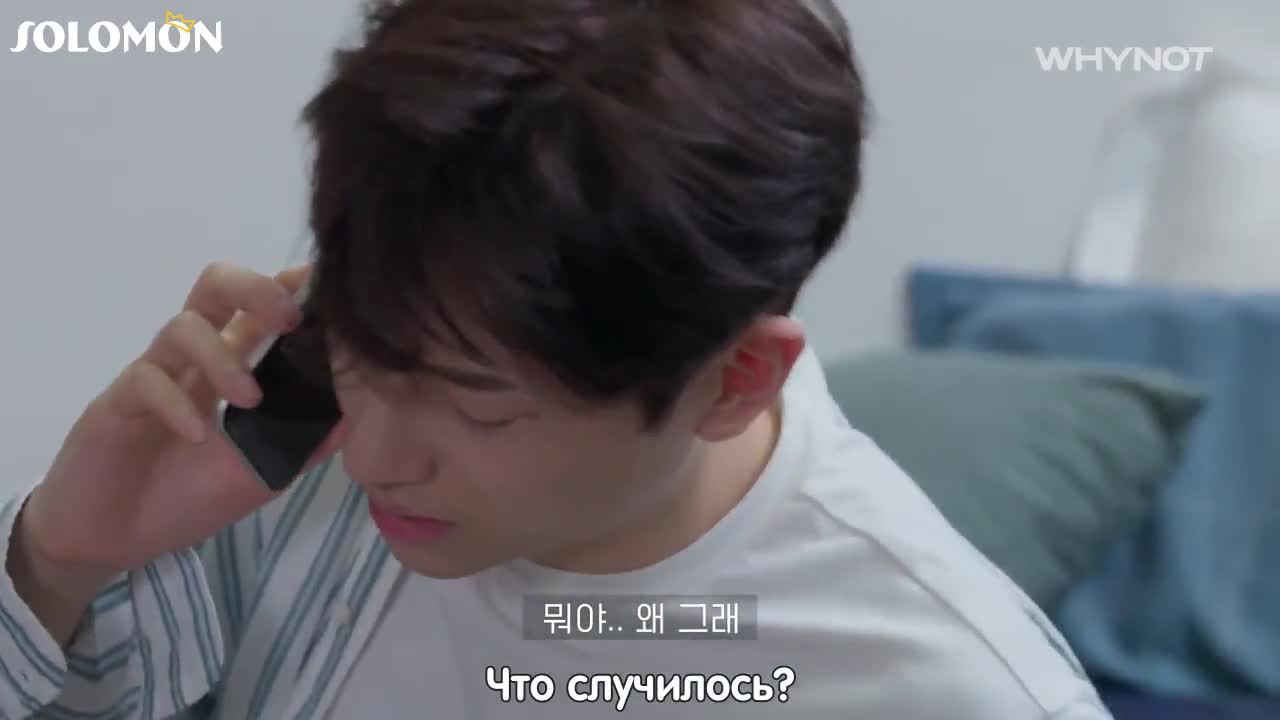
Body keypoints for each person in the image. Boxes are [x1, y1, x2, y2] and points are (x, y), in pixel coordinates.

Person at [0, 0, 1113, 717]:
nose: (376, 455)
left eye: (479, 409)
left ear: (734, 381)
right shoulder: (282, 452)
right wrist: (55, 561)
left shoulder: (935, 685)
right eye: (365, 351)